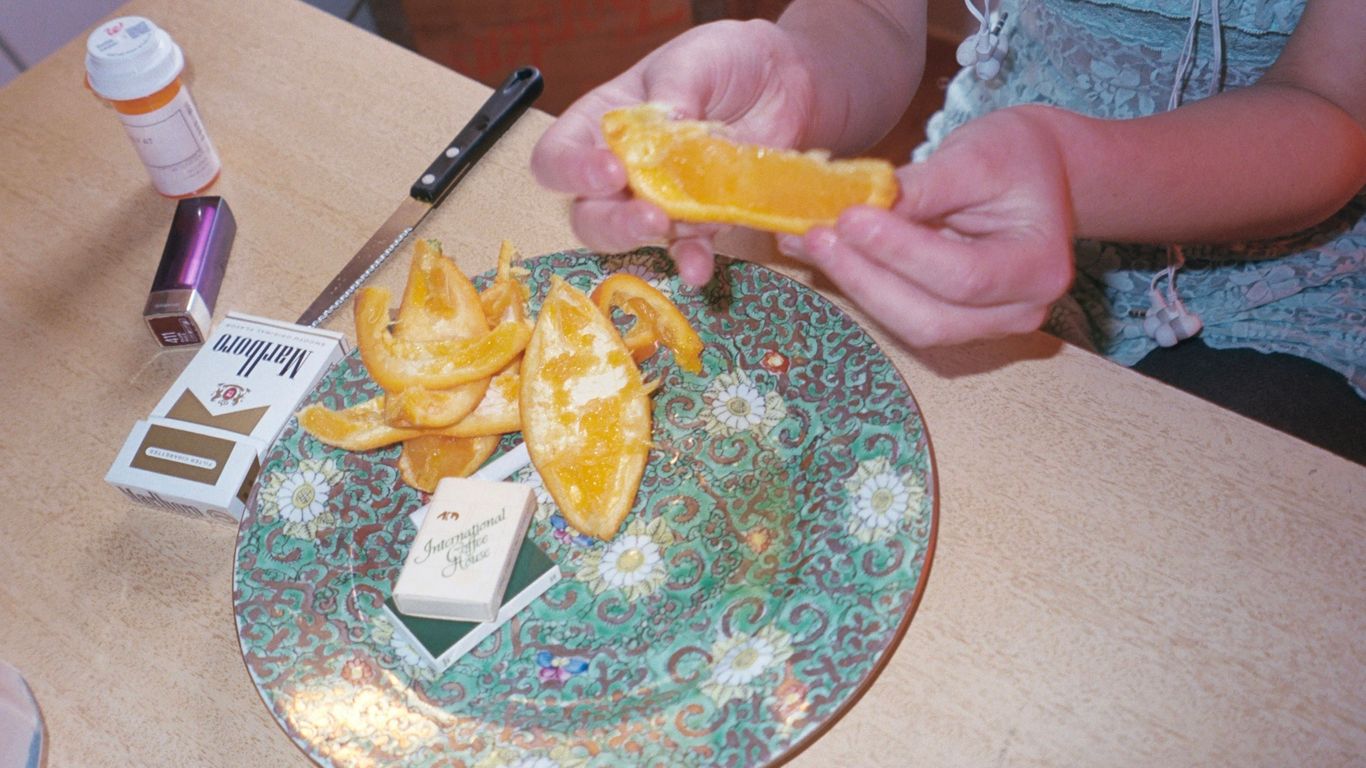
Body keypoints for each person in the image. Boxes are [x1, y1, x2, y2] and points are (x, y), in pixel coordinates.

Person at [530, 0, 1365, 459]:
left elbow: (1333, 106)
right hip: (960, 187)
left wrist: (1070, 172)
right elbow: (873, 14)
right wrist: (793, 71)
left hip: (1283, 293)